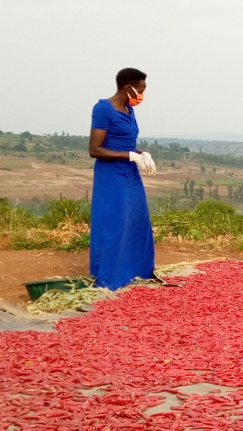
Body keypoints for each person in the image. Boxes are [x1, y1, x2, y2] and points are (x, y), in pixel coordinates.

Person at [88, 67, 157, 289]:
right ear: (128, 88)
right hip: (111, 175)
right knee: (114, 221)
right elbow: (95, 149)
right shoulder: (103, 109)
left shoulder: (129, 110)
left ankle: (136, 270)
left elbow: (124, 142)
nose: (142, 95)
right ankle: (109, 276)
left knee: (137, 220)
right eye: (140, 90)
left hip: (130, 172)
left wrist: (140, 153)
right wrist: (129, 155)